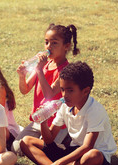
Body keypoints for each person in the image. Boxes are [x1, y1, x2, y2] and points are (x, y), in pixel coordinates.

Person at [19, 62, 117, 165]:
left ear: (85, 91)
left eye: (70, 90)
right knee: (26, 141)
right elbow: (48, 140)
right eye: (62, 89)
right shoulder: (65, 106)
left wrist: (56, 164)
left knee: (94, 155)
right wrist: (43, 121)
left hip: (92, 158)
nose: (65, 95)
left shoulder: (95, 110)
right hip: (73, 152)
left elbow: (87, 147)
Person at [13, 23, 80, 155]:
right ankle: (61, 142)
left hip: (55, 124)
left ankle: (65, 139)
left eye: (54, 43)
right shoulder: (44, 65)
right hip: (39, 120)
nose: (49, 47)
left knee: (45, 151)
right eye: (46, 42)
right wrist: (22, 76)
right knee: (16, 148)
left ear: (66, 46)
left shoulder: (66, 70)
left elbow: (49, 95)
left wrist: (39, 70)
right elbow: (25, 89)